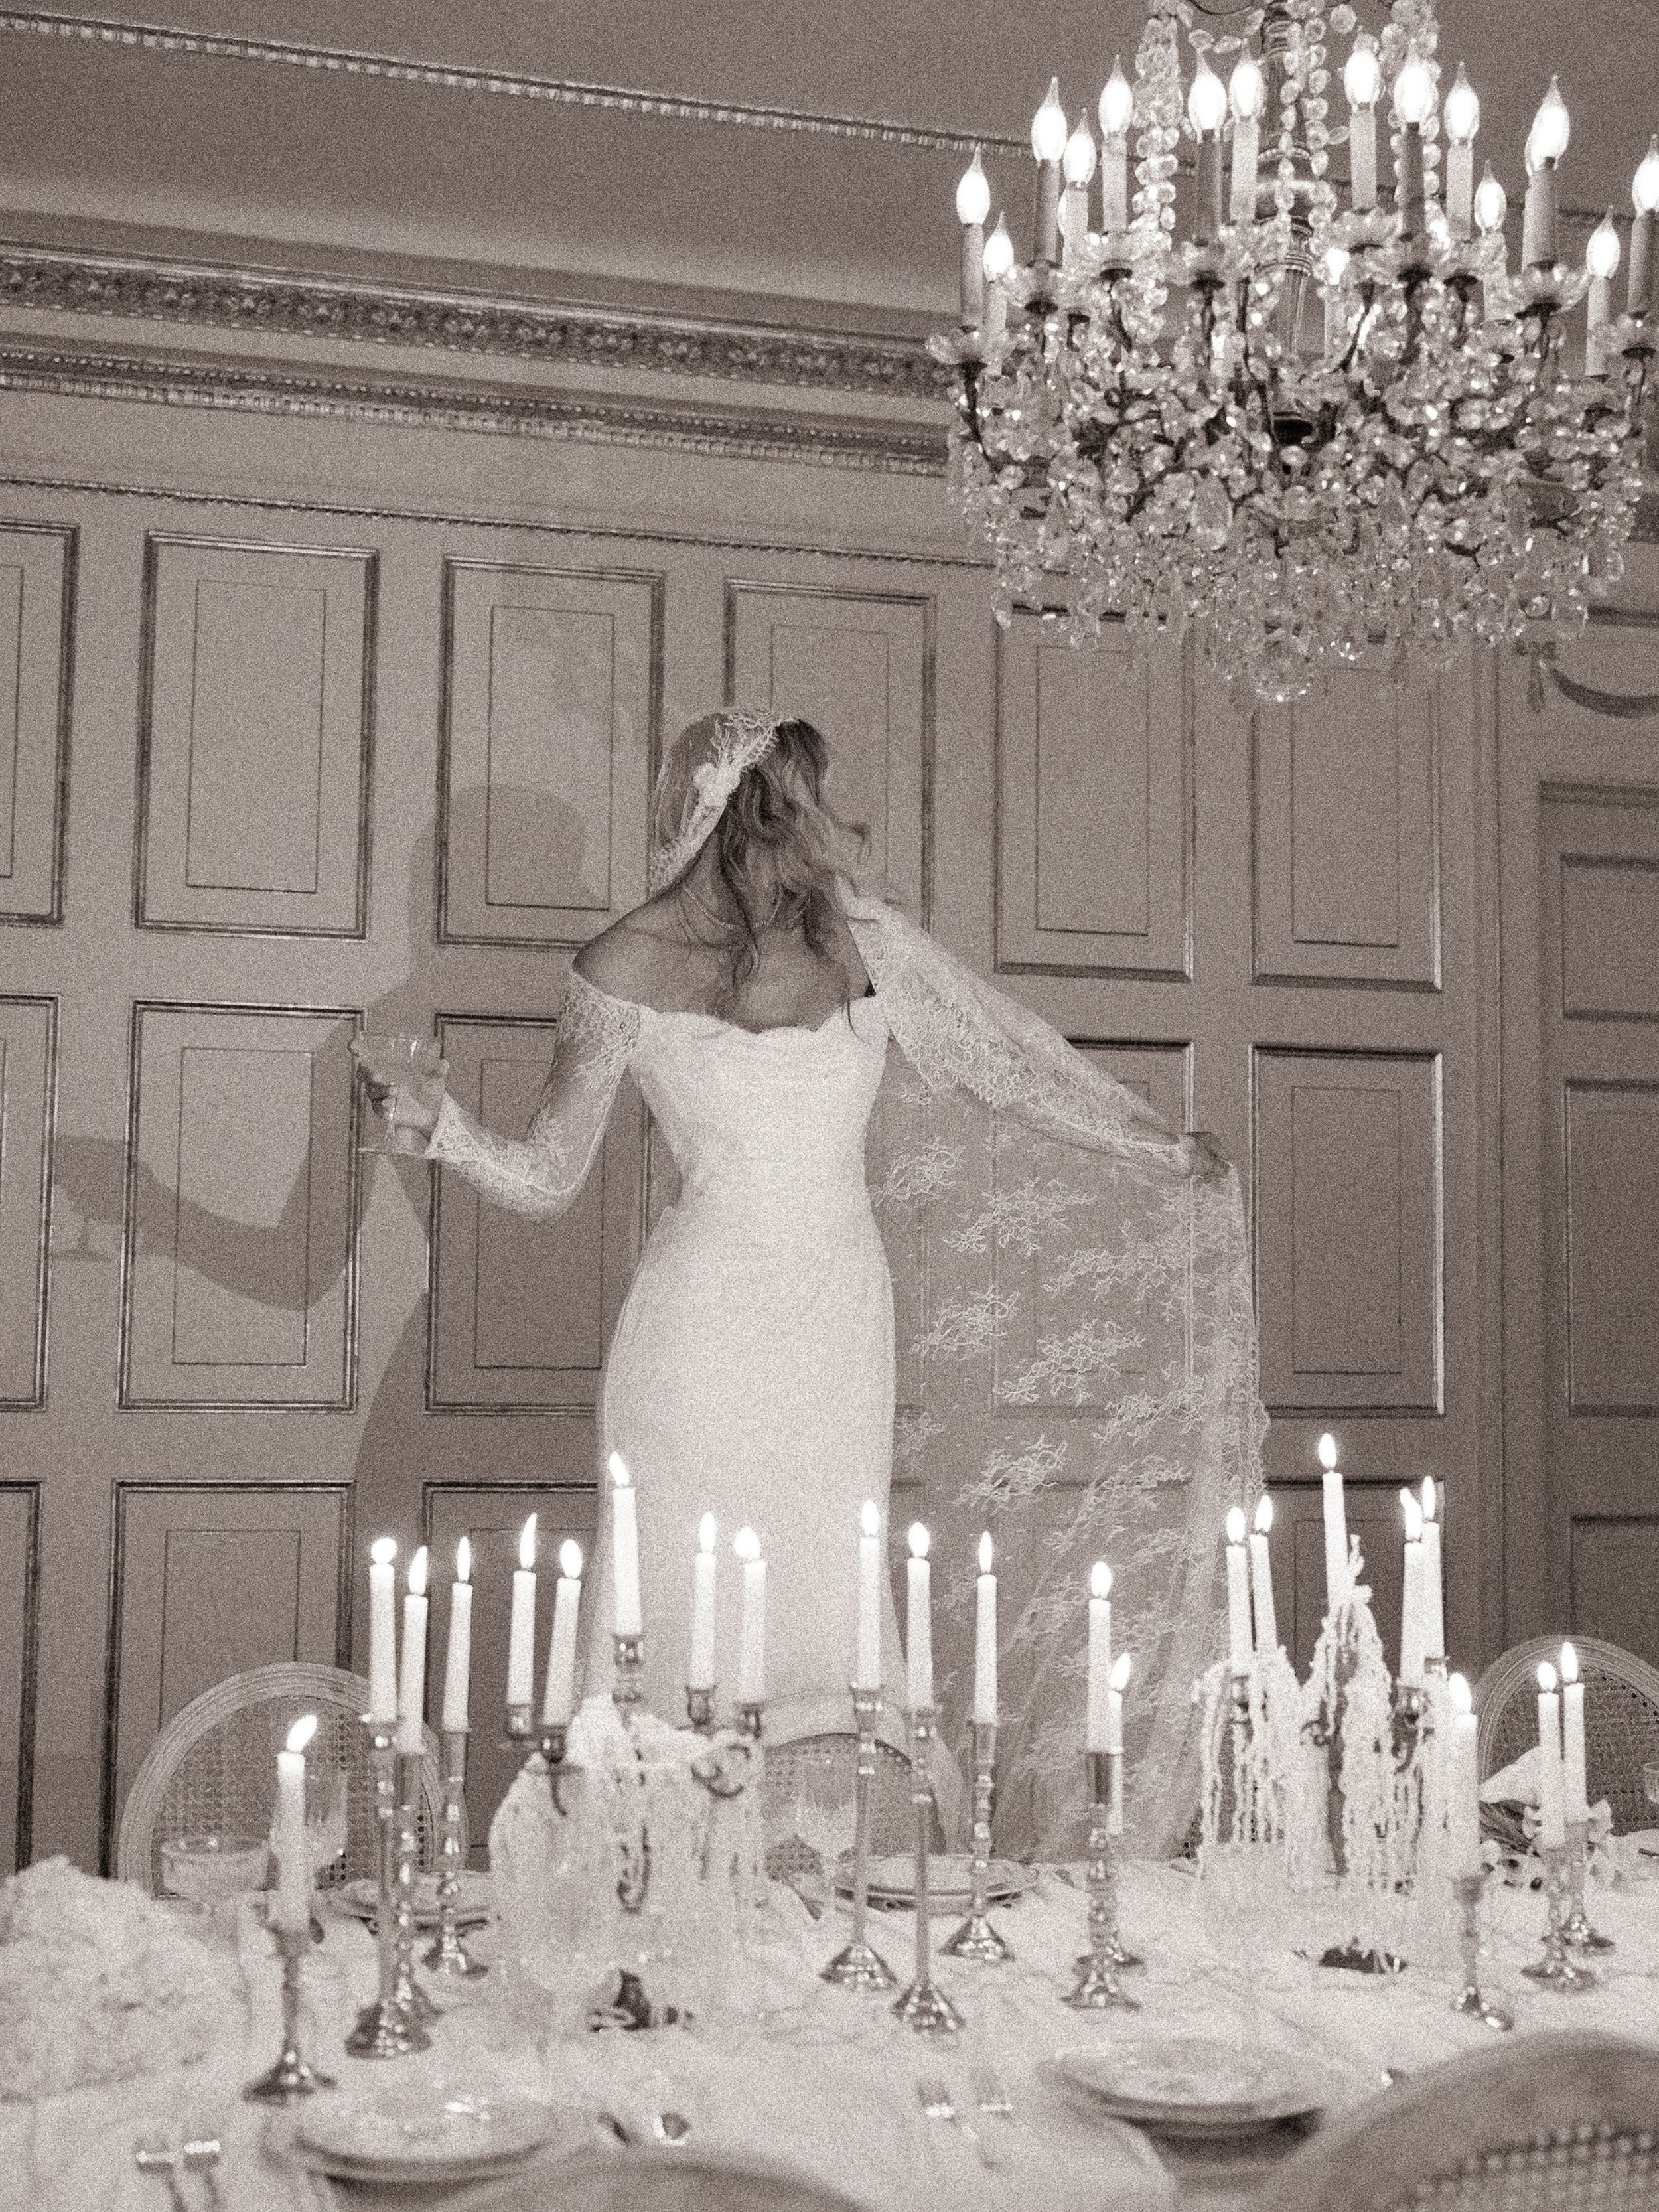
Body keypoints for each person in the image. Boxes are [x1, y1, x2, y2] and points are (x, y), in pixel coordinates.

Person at [360, 709, 1262, 1856]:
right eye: (797, 806)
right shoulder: (621, 965)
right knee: (672, 1623)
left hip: (838, 1327)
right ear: (746, 817)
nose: (820, 834)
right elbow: (547, 1174)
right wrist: (438, 1130)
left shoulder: (860, 941)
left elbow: (1009, 1062)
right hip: (696, 1340)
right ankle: (645, 1911)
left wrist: (1154, 1147)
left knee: (830, 1621)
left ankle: (834, 1904)